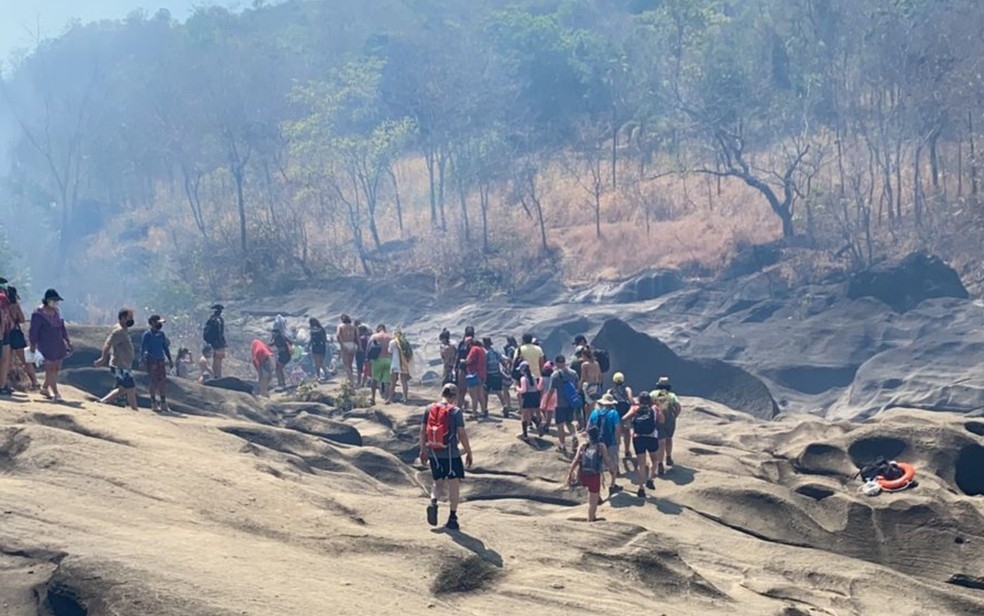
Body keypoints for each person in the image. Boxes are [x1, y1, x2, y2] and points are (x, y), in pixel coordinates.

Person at [420, 383, 473, 531]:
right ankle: (452, 518)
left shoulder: (429, 409)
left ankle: (433, 502)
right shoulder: (455, 411)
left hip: (433, 453)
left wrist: (423, 450)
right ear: (453, 396)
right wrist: (468, 451)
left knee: (438, 483)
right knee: (454, 485)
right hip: (451, 454)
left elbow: (423, 431)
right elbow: (461, 433)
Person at [29, 289, 71, 401]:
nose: (56, 302)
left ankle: (45, 387)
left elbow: (62, 327)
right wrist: (33, 344)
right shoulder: (38, 314)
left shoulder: (57, 312)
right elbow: (34, 331)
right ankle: (56, 393)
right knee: (50, 368)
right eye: (54, 300)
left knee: (56, 368)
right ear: (47, 300)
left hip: (58, 344)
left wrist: (67, 340)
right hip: (46, 344)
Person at [566, 424, 614, 523]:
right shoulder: (601, 446)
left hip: (583, 474)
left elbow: (576, 460)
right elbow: (606, 460)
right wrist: (612, 469)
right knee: (594, 500)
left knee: (590, 495)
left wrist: (570, 473)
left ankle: (592, 515)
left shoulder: (583, 445)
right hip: (594, 475)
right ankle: (590, 519)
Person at [94, 308, 138, 411]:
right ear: (123, 318)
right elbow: (108, 344)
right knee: (131, 388)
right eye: (129, 317)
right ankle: (135, 410)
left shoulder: (123, 330)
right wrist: (103, 358)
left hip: (124, 365)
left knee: (122, 389)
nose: (132, 320)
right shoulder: (119, 331)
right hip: (120, 366)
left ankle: (103, 401)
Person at [621, 391, 660, 498]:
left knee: (641, 464)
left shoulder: (635, 409)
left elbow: (624, 418)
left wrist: (629, 426)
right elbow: (661, 420)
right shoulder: (655, 408)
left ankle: (641, 488)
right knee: (655, 460)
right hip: (652, 437)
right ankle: (650, 479)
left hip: (638, 438)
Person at [588, 392, 623, 496]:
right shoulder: (614, 413)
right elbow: (617, 429)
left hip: (596, 443)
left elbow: (588, 427)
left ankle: (597, 493)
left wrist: (590, 441)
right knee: (614, 464)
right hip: (610, 443)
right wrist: (618, 442)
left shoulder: (594, 412)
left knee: (597, 467)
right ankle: (612, 485)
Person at [6, 286, 39, 390]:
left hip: (5, 333)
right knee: (25, 360)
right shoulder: (15, 306)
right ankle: (35, 382)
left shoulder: (3, 305)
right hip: (15, 333)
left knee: (6, 360)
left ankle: (6, 383)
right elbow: (22, 319)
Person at [140, 314, 173, 413]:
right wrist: (142, 360)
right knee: (153, 381)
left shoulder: (161, 334)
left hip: (160, 360)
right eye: (158, 322)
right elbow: (143, 348)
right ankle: (153, 402)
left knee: (162, 380)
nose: (160, 325)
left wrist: (170, 360)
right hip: (152, 360)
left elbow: (165, 348)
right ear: (152, 323)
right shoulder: (147, 335)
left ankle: (163, 402)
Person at [551, 355, 580, 454]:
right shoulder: (573, 373)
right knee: (569, 422)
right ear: (564, 362)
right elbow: (577, 386)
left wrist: (545, 402)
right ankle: (574, 436)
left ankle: (562, 446)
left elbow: (551, 390)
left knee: (560, 425)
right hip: (570, 403)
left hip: (560, 404)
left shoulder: (555, 375)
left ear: (556, 363)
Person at [654, 376, 683, 474]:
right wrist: (674, 417)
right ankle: (669, 457)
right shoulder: (672, 396)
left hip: (658, 420)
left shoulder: (653, 394)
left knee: (660, 442)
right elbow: (678, 407)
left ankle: (660, 464)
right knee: (669, 439)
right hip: (669, 421)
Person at [609, 372, 635, 462]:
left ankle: (617, 452)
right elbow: (631, 399)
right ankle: (627, 451)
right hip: (626, 412)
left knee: (617, 433)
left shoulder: (611, 391)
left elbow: (608, 401)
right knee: (627, 431)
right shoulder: (627, 389)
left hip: (616, 412)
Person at [482, 337, 511, 417]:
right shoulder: (495, 352)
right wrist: (506, 368)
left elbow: (484, 365)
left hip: (488, 375)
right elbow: (502, 361)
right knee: (499, 392)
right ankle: (505, 406)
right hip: (497, 374)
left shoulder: (485, 353)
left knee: (485, 393)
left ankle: (485, 410)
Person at [461, 337, 487, 417]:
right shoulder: (482, 349)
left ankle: (474, 413)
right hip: (482, 374)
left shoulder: (474, 349)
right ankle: (483, 411)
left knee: (474, 396)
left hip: (473, 374)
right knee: (480, 395)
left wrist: (462, 361)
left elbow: (469, 360)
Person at [367, 324, 392, 405]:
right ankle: (386, 399)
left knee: (374, 380)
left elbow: (368, 348)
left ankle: (373, 398)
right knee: (387, 381)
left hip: (378, 360)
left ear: (378, 329)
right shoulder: (390, 337)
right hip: (388, 359)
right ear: (385, 329)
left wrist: (368, 358)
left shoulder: (374, 336)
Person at [516, 360, 540, 441]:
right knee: (530, 413)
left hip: (527, 397)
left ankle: (525, 435)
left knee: (524, 416)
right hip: (535, 396)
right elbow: (537, 387)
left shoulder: (523, 378)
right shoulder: (533, 376)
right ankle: (537, 423)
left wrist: (517, 388)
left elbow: (523, 390)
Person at [387, 328, 412, 404]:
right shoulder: (405, 342)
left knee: (393, 382)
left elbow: (390, 352)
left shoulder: (393, 342)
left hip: (395, 364)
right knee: (404, 381)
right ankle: (405, 398)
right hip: (404, 364)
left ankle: (390, 399)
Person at [0, 278, 15, 396]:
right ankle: (2, 385)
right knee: (4, 359)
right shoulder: (3, 298)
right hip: (3, 333)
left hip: (3, 332)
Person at [203, 304, 227, 378]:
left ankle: (215, 375)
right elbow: (219, 332)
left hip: (213, 343)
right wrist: (221, 342)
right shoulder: (218, 320)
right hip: (218, 343)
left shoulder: (211, 319)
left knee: (215, 359)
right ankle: (218, 376)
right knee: (218, 360)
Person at [454, 326, 475, 407]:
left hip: (471, 368)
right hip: (462, 367)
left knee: (473, 390)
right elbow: (458, 355)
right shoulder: (462, 343)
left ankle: (472, 407)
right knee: (461, 388)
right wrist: (456, 367)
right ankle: (459, 405)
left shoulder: (474, 344)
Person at [270, 315, 293, 388]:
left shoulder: (281, 336)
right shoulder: (281, 335)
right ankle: (281, 382)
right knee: (278, 368)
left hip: (284, 354)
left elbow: (287, 343)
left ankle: (282, 383)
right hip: (283, 353)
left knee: (278, 368)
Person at [336, 314, 358, 384]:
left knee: (345, 364)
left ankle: (351, 380)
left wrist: (341, 344)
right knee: (350, 364)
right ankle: (350, 379)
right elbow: (357, 336)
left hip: (345, 343)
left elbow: (338, 335)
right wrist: (358, 346)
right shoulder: (353, 327)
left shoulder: (341, 326)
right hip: (352, 344)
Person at [538, 361, 556, 437]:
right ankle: (547, 425)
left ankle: (546, 423)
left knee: (542, 409)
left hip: (545, 395)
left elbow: (539, 387)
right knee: (550, 411)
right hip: (554, 395)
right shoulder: (554, 377)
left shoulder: (542, 378)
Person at [355, 322, 370, 387]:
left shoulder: (359, 338)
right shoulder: (369, 338)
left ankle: (359, 382)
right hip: (368, 354)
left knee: (359, 369)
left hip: (360, 353)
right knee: (366, 369)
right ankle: (363, 382)